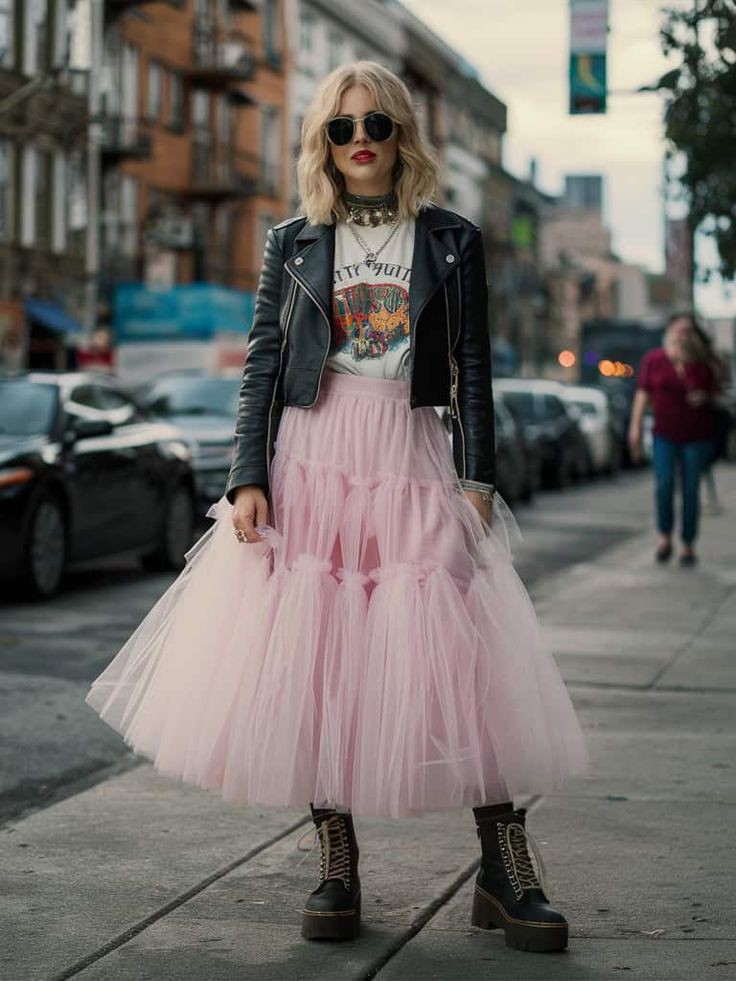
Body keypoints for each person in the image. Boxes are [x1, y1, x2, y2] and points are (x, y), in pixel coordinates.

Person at [85, 62, 588, 955]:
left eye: (378, 126)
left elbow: (471, 369)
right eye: (342, 128)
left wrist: (478, 480)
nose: (360, 140)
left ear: (402, 136)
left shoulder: (450, 239)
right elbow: (262, 367)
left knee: (462, 652)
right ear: (324, 143)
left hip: (412, 454)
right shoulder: (294, 241)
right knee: (318, 656)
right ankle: (337, 860)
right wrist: (249, 475)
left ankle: (504, 865)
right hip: (314, 454)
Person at [628, 312, 718, 566]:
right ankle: (665, 536)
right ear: (669, 331)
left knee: (691, 490)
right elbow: (643, 393)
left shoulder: (701, 362)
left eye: (688, 331)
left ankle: (688, 543)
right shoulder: (654, 360)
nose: (683, 334)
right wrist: (634, 427)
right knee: (664, 483)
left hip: (696, 435)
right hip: (664, 434)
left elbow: (715, 391)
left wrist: (704, 396)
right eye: (679, 330)